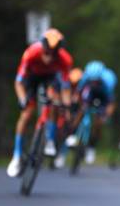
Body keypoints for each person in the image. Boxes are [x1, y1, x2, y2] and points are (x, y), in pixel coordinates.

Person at [7, 28, 73, 177]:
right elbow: (19, 82)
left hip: (50, 79)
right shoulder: (31, 53)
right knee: (26, 113)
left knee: (55, 102)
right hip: (32, 78)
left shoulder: (65, 60)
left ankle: (49, 139)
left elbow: (66, 87)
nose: (49, 56)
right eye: (47, 51)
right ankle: (16, 156)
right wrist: (22, 98)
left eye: (53, 53)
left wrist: (67, 105)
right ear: (42, 46)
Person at [66, 61, 117, 164]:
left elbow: (111, 103)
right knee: (82, 110)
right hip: (90, 94)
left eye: (96, 81)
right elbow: (79, 93)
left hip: (103, 98)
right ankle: (72, 134)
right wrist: (76, 103)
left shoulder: (108, 82)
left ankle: (91, 147)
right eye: (92, 80)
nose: (94, 82)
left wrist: (106, 114)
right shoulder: (85, 79)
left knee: (98, 122)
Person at [53, 67, 83, 168]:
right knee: (60, 127)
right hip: (65, 109)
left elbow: (81, 108)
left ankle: (63, 153)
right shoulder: (65, 86)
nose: (75, 85)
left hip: (75, 112)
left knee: (71, 129)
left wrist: (74, 121)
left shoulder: (82, 90)